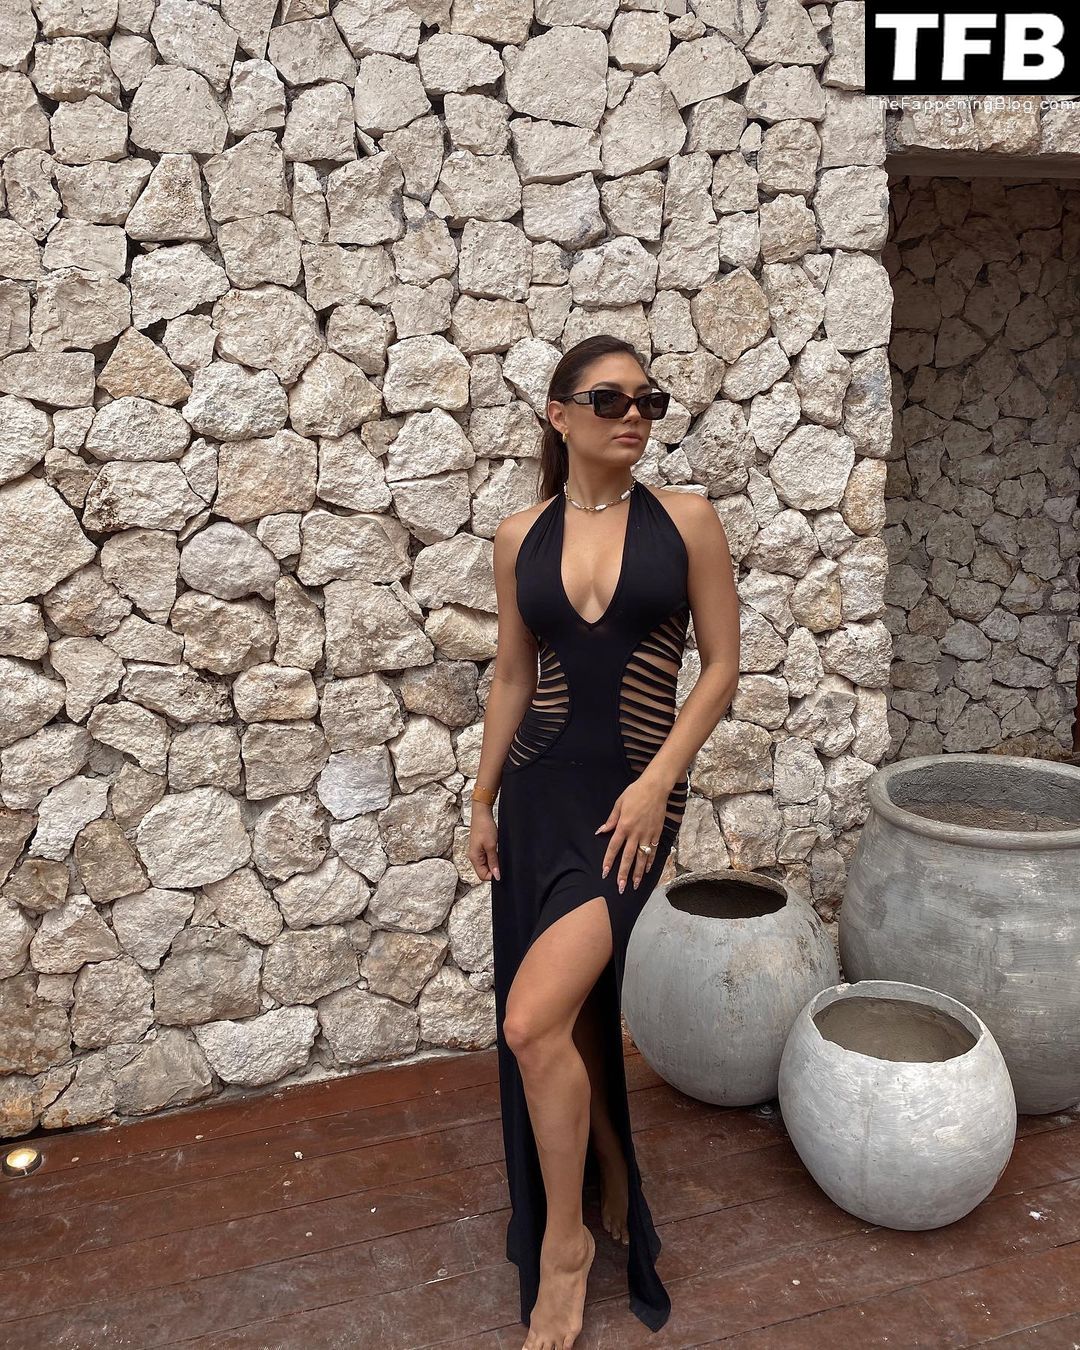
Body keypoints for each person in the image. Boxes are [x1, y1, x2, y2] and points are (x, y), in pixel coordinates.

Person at [469, 334, 740, 1350]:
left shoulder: (687, 520)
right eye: (612, 398)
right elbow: (513, 676)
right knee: (568, 1015)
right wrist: (481, 797)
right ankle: (612, 1174)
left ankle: (565, 1247)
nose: (635, 415)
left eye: (650, 400)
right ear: (560, 414)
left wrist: (659, 780)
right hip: (537, 796)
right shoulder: (519, 537)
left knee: (530, 1022)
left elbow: (721, 667)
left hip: (633, 803)